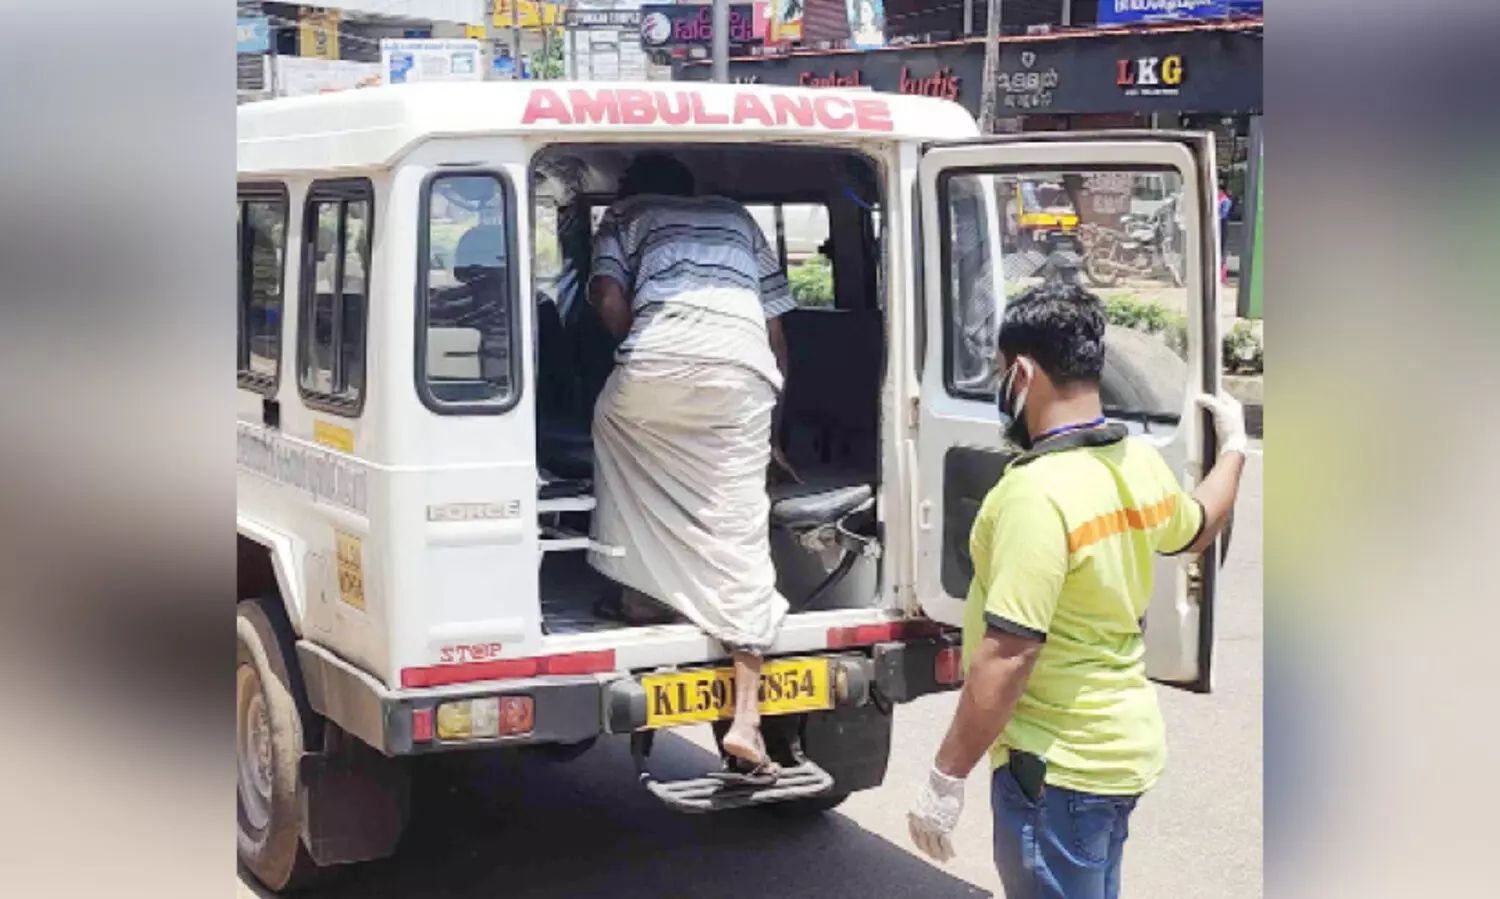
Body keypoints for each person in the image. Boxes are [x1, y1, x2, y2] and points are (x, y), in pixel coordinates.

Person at [906, 283, 1247, 899]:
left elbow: (1010, 654)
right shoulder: (1138, 463)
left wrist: (945, 777)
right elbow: (1196, 527)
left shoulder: (1035, 494)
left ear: (1025, 373)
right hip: (1121, 751)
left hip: (1057, 768)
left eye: (1002, 372)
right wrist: (1235, 452)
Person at [587, 153, 796, 783]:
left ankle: (643, 594)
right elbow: (776, 327)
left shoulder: (625, 214)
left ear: (633, 188)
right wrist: (774, 412)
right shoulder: (736, 218)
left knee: (613, 435)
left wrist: (634, 338)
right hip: (745, 373)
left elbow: (609, 301)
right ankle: (747, 719)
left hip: (657, 363)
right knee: (737, 523)